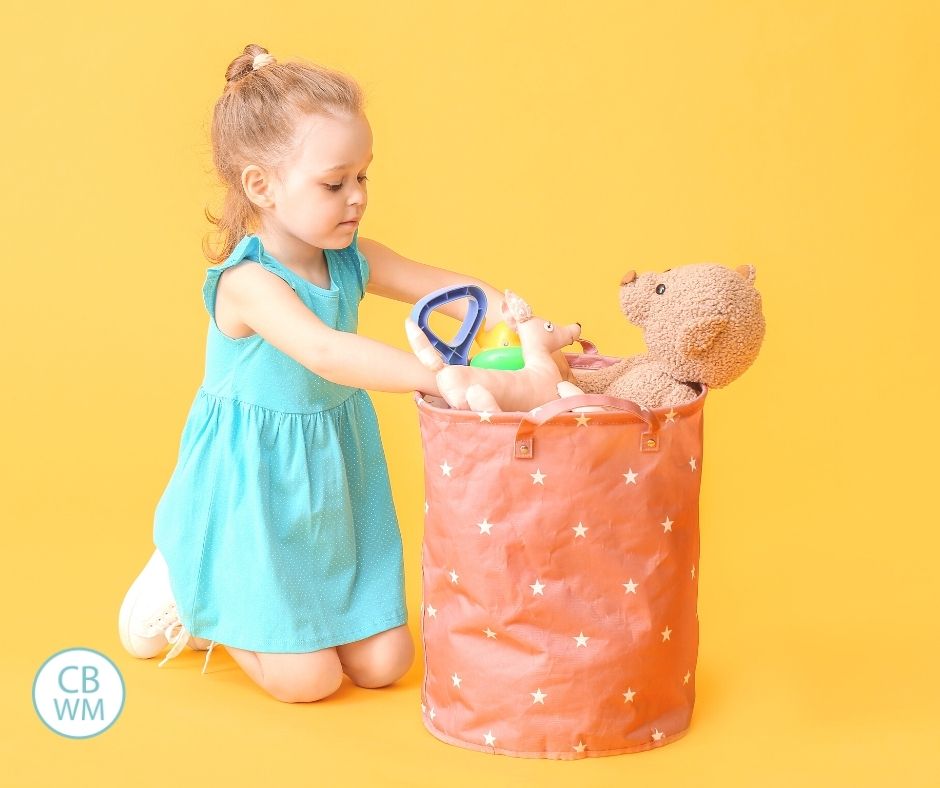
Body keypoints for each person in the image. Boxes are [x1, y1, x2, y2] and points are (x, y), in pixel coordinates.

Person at [117, 44, 506, 703]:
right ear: (261, 187)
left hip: (328, 475)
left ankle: (291, 610)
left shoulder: (350, 258)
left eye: (363, 178)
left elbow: (449, 288)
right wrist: (437, 377)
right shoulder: (247, 283)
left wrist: (515, 318)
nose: (356, 199)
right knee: (309, 683)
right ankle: (192, 577)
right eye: (334, 183)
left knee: (385, 664)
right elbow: (326, 352)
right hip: (253, 483)